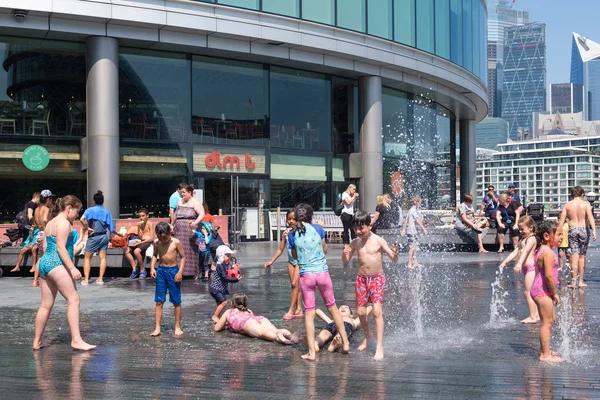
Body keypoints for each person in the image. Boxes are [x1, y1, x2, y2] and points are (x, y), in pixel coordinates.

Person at [33, 195, 96, 351]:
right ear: (69, 208)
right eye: (77, 210)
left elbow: (46, 247)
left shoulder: (51, 223)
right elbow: (61, 248)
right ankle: (76, 340)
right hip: (57, 263)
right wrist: (72, 268)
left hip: (45, 264)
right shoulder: (63, 223)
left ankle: (37, 342)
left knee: (46, 305)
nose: (77, 214)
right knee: (73, 299)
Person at [288, 203, 349, 361]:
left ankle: (311, 353)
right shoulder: (319, 229)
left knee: (309, 314)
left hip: (306, 276)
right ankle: (346, 342)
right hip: (322, 274)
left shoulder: (291, 234)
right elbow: (324, 250)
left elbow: (294, 256)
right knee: (333, 308)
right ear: (311, 216)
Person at [342, 211, 398, 361]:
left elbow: (393, 259)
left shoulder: (379, 241)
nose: (358, 231)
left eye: (361, 228)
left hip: (377, 279)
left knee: (376, 311)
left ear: (369, 225)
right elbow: (346, 261)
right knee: (360, 313)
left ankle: (379, 346)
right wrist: (345, 253)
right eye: (356, 229)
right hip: (361, 279)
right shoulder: (355, 242)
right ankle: (368, 336)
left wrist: (395, 253)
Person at [531, 221, 563, 363]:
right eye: (559, 234)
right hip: (543, 290)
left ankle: (544, 348)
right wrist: (555, 293)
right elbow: (549, 276)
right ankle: (544, 355)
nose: (561, 237)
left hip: (541, 289)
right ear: (546, 235)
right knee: (547, 323)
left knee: (551, 320)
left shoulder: (542, 250)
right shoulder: (548, 253)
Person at [214, 293, 299, 345]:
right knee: (274, 329)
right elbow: (252, 318)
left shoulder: (229, 312)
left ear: (232, 304)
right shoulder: (248, 310)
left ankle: (281, 339)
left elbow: (217, 328)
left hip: (246, 323)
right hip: (259, 319)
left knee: (263, 333)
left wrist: (222, 324)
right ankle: (290, 335)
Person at [499, 216, 539, 324]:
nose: (521, 231)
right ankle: (536, 314)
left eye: (522, 229)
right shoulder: (523, 239)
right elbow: (515, 252)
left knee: (528, 293)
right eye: (520, 229)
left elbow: (525, 251)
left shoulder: (531, 239)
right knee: (531, 292)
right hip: (527, 269)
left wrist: (519, 263)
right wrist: (505, 261)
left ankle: (533, 316)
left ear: (531, 228)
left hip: (531, 269)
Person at [264, 210, 302, 320]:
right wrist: (271, 261)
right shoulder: (286, 233)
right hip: (291, 261)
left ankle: (291, 309)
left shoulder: (300, 232)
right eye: (289, 219)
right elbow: (281, 249)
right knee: (294, 286)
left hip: (300, 261)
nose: (291, 221)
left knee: (295, 284)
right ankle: (298, 308)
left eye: (293, 219)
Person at [557, 185, 597, 289]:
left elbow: (561, 220)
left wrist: (559, 233)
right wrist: (594, 231)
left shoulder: (567, 205)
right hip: (583, 229)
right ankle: (580, 282)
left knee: (573, 256)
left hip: (572, 229)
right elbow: (590, 217)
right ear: (582, 194)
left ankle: (573, 282)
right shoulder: (586, 204)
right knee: (581, 256)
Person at [149, 222, 185, 337]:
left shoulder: (176, 242)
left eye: (164, 237)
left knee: (176, 301)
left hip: (173, 271)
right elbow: (155, 255)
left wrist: (180, 272)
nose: (162, 240)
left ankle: (177, 326)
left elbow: (183, 257)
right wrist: (152, 268)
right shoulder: (156, 243)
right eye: (160, 237)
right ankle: (157, 327)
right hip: (161, 271)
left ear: (170, 233)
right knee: (159, 301)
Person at [80, 190, 123, 285]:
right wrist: (119, 234)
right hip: (103, 237)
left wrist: (87, 228)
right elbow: (111, 229)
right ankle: (100, 279)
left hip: (93, 237)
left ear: (94, 201)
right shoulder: (106, 212)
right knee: (103, 258)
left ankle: (86, 280)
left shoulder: (90, 210)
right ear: (103, 201)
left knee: (87, 258)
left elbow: (81, 219)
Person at [172, 185, 205, 278]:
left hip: (189, 230)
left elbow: (202, 214)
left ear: (189, 193)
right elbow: (175, 214)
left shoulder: (195, 202)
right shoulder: (180, 201)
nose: (182, 194)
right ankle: (179, 271)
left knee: (190, 250)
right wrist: (172, 224)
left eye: (184, 192)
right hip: (178, 230)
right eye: (181, 192)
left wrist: (195, 223)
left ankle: (192, 273)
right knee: (178, 249)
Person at [209, 245, 242, 323]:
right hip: (216, 289)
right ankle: (215, 316)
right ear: (221, 256)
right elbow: (225, 278)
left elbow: (231, 272)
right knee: (224, 302)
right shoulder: (220, 266)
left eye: (230, 255)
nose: (230, 257)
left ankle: (217, 318)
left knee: (220, 303)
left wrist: (236, 268)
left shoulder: (225, 264)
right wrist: (235, 280)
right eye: (227, 255)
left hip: (219, 288)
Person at [32, 190, 54, 287]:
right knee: (47, 257)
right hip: (45, 233)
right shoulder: (46, 208)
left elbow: (36, 224)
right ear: (48, 199)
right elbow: (45, 219)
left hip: (39, 234)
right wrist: (50, 224)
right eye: (51, 199)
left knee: (40, 258)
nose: (51, 201)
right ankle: (46, 279)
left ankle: (35, 280)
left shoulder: (36, 210)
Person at [124, 208, 155, 280]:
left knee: (136, 251)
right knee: (126, 249)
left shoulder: (150, 223)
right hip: (141, 240)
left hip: (147, 241)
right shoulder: (140, 224)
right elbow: (140, 236)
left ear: (147, 215)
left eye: (143, 216)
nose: (141, 218)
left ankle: (142, 269)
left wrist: (141, 242)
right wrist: (139, 228)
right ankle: (135, 268)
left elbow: (151, 238)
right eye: (140, 216)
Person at [401, 196, 428, 269]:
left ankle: (415, 262)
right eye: (419, 202)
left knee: (414, 247)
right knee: (412, 248)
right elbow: (417, 220)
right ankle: (409, 264)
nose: (420, 204)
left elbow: (406, 220)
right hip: (412, 231)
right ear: (416, 202)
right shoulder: (413, 210)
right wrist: (424, 228)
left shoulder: (411, 210)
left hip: (413, 231)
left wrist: (404, 229)